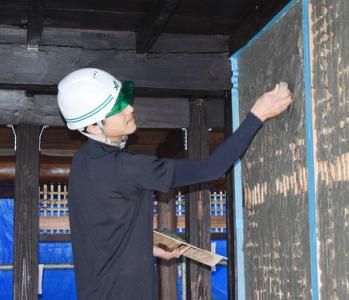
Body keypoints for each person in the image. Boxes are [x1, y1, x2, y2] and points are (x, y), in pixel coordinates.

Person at [57, 68, 293, 299]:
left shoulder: (82, 162)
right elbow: (211, 169)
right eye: (117, 108)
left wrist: (144, 244)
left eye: (124, 99)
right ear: (92, 127)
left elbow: (101, 229)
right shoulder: (127, 168)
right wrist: (258, 115)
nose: (129, 108)